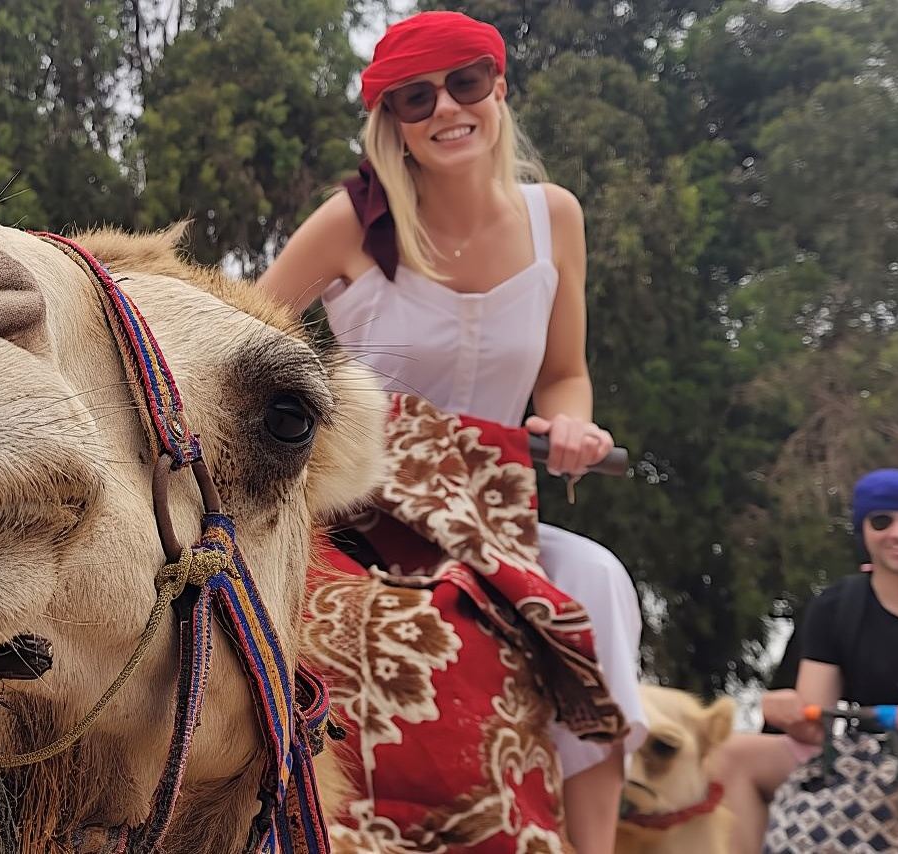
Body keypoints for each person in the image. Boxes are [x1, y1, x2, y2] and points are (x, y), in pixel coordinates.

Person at [256, 11, 646, 851]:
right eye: (416, 96)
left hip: (491, 514)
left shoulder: (556, 219)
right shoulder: (348, 225)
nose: (446, 108)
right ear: (391, 119)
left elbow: (565, 372)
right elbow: (241, 343)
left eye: (465, 83)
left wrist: (571, 425)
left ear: (497, 88)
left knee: (603, 583)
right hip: (361, 512)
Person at [710, 468, 898, 854]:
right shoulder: (834, 607)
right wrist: (790, 713)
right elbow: (817, 725)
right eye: (882, 521)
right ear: (863, 530)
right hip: (862, 763)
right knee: (729, 755)